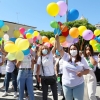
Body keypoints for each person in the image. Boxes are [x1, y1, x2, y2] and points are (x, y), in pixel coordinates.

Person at [55, 35, 89, 100]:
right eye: (71, 49)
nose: (72, 50)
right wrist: (57, 40)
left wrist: (82, 73)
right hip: (66, 85)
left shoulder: (82, 59)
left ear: (77, 50)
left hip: (78, 85)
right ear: (69, 50)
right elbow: (59, 48)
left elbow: (87, 70)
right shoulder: (65, 56)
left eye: (74, 49)